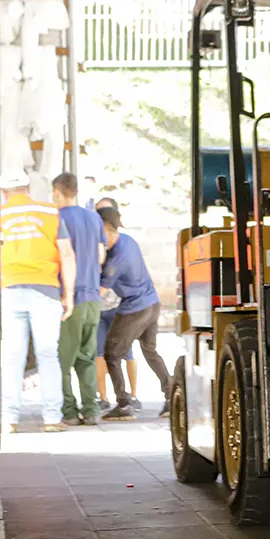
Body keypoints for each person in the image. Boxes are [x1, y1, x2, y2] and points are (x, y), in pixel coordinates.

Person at [0, 170, 77, 433]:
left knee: (13, 355)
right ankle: (52, 418)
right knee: (47, 354)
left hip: (10, 287)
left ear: (3, 193)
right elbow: (66, 254)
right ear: (28, 187)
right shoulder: (50, 212)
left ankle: (8, 419)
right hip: (46, 289)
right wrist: (69, 294)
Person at [98, 205, 171, 420]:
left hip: (135, 309)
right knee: (150, 350)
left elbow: (100, 291)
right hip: (152, 303)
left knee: (112, 354)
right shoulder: (127, 240)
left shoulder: (116, 259)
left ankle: (123, 404)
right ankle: (172, 395)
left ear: (104, 227)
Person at [52, 173, 106, 426]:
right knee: (87, 355)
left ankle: (70, 412)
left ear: (58, 192)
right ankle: (92, 410)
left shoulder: (58, 218)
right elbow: (101, 254)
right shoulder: (94, 218)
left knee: (61, 358)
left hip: (68, 296)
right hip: (93, 296)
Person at [93, 197, 141, 411]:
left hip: (120, 306)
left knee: (126, 352)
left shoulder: (122, 241)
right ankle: (103, 397)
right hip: (98, 307)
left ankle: (133, 395)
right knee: (99, 353)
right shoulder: (94, 240)